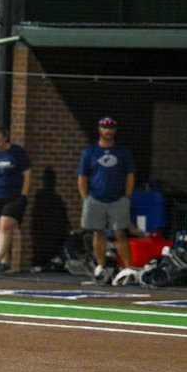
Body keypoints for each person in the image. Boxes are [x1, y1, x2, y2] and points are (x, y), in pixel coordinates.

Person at [76, 116, 136, 283]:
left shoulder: (122, 152)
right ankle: (101, 265)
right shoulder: (90, 152)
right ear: (99, 129)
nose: (108, 130)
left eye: (110, 128)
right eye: (104, 127)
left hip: (117, 198)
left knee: (120, 233)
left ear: (114, 130)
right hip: (96, 197)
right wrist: (85, 197)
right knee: (98, 231)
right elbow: (82, 176)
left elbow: (130, 174)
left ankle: (127, 267)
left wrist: (127, 196)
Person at [0, 125, 32, 275]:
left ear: (5, 138)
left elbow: (27, 173)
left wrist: (24, 193)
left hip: (13, 196)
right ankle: (5, 262)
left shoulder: (17, 152)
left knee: (5, 226)